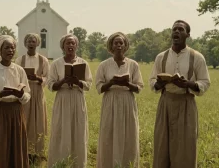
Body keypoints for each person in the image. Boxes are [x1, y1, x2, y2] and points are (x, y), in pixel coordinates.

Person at [150, 20, 211, 168]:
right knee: (162, 144)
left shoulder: (196, 57)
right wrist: (160, 83)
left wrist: (188, 84)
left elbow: (205, 82)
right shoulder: (161, 57)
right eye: (174, 29)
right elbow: (152, 81)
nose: (176, 31)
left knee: (185, 146)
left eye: (180, 29)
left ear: (187, 34)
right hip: (165, 102)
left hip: (186, 103)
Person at [95, 32, 144, 168]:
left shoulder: (133, 65)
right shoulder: (104, 65)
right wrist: (111, 82)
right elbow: (99, 87)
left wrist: (127, 84)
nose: (118, 45)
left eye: (121, 43)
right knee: (108, 134)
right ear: (111, 45)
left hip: (127, 101)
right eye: (115, 43)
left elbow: (139, 87)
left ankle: (126, 164)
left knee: (129, 134)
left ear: (125, 46)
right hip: (110, 101)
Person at [0, 35, 30, 168]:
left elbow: (28, 95)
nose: (10, 50)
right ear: (0, 50)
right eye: (7, 47)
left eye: (13, 47)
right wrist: (0, 94)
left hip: (16, 113)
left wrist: (21, 95)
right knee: (0, 145)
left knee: (16, 145)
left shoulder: (19, 70)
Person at [46, 34, 92, 168]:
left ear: (76, 46)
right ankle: (60, 163)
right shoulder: (56, 63)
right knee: (61, 129)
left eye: (73, 43)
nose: (70, 46)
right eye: (68, 43)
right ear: (63, 46)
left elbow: (88, 85)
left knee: (78, 130)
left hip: (78, 98)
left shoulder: (83, 63)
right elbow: (50, 85)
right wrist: (63, 81)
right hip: (63, 98)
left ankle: (77, 164)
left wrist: (78, 81)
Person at [15, 33, 50, 163]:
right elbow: (15, 76)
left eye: (33, 41)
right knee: (24, 120)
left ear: (37, 43)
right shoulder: (19, 60)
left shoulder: (43, 60)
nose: (31, 43)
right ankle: (23, 152)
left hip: (38, 92)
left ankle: (37, 154)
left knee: (38, 121)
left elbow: (48, 77)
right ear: (25, 43)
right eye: (29, 41)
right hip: (24, 91)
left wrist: (38, 78)